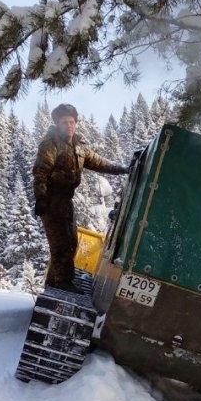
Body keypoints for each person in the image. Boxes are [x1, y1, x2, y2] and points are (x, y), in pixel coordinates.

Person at [33, 103, 129, 291]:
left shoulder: (78, 147)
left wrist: (122, 169)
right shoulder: (50, 144)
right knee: (60, 243)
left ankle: (54, 281)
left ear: (76, 123)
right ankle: (62, 282)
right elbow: (40, 172)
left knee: (71, 241)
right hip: (52, 200)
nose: (69, 125)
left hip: (66, 200)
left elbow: (99, 162)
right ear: (57, 124)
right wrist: (41, 198)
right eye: (64, 122)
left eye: (71, 121)